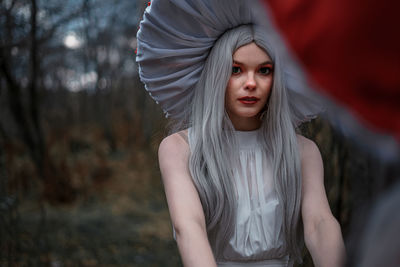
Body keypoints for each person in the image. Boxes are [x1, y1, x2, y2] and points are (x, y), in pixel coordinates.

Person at [136, 1, 345, 266]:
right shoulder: (179, 148)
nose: (250, 83)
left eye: (264, 71)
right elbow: (188, 227)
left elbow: (320, 223)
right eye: (236, 70)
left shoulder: (303, 151)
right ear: (215, 75)